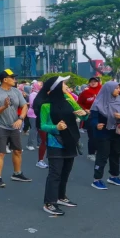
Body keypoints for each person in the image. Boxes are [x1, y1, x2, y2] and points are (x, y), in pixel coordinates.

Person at [35, 76, 88, 216]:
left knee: (66, 172)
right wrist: (56, 126)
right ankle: (49, 203)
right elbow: (42, 125)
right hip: (55, 143)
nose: (66, 85)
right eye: (63, 83)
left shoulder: (70, 100)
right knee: (55, 173)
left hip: (71, 140)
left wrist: (84, 115)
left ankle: (61, 197)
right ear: (56, 87)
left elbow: (82, 115)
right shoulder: (46, 105)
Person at [0, 69, 31, 188]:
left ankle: (17, 173)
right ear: (5, 79)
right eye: (12, 77)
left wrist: (20, 119)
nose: (15, 80)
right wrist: (4, 107)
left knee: (17, 150)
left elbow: (25, 106)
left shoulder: (16, 91)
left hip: (14, 125)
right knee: (1, 152)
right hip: (1, 125)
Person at [86, 81, 120, 189]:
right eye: (116, 88)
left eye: (119, 88)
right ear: (108, 89)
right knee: (103, 155)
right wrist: (96, 124)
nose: (118, 90)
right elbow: (92, 118)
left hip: (117, 132)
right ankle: (97, 179)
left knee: (116, 154)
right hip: (103, 133)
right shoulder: (98, 102)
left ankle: (114, 176)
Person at [77, 77, 102, 159]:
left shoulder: (103, 91)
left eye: (95, 81)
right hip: (90, 117)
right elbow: (79, 103)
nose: (93, 83)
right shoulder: (85, 93)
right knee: (92, 136)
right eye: (91, 81)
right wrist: (85, 109)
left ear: (98, 82)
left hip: (102, 116)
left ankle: (100, 151)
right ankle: (91, 153)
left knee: (101, 135)